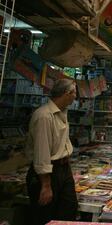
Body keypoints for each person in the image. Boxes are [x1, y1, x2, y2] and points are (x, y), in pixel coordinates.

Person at [25, 79, 78, 225]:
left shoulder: (62, 113)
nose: (75, 97)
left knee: (68, 210)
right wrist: (46, 185)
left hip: (63, 169)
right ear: (66, 94)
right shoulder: (44, 116)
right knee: (46, 215)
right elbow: (42, 153)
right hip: (47, 174)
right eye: (74, 93)